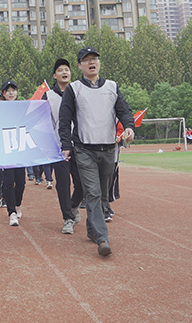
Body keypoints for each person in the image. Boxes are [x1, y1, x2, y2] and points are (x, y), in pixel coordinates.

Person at [58, 46, 135, 257]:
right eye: (87, 59)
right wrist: (66, 146)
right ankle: (103, 239)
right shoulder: (74, 89)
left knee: (102, 196)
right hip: (84, 150)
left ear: (99, 63)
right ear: (80, 65)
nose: (91, 62)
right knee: (92, 192)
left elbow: (124, 111)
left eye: (95, 59)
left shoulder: (112, 87)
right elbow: (64, 121)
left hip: (109, 148)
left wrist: (128, 126)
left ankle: (92, 230)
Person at [43, 59, 83, 235]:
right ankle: (68, 218)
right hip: (58, 147)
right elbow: (44, 123)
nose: (64, 72)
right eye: (60, 70)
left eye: (67, 69)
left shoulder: (79, 92)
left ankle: (74, 205)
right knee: (63, 184)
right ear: (55, 75)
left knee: (82, 183)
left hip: (81, 145)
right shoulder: (48, 96)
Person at [0, 80, 26, 226]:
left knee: (21, 182)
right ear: (4, 94)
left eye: (13, 90)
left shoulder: (22, 107)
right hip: (5, 149)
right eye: (8, 90)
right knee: (8, 181)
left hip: (20, 149)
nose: (11, 93)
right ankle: (12, 213)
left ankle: (17, 203)